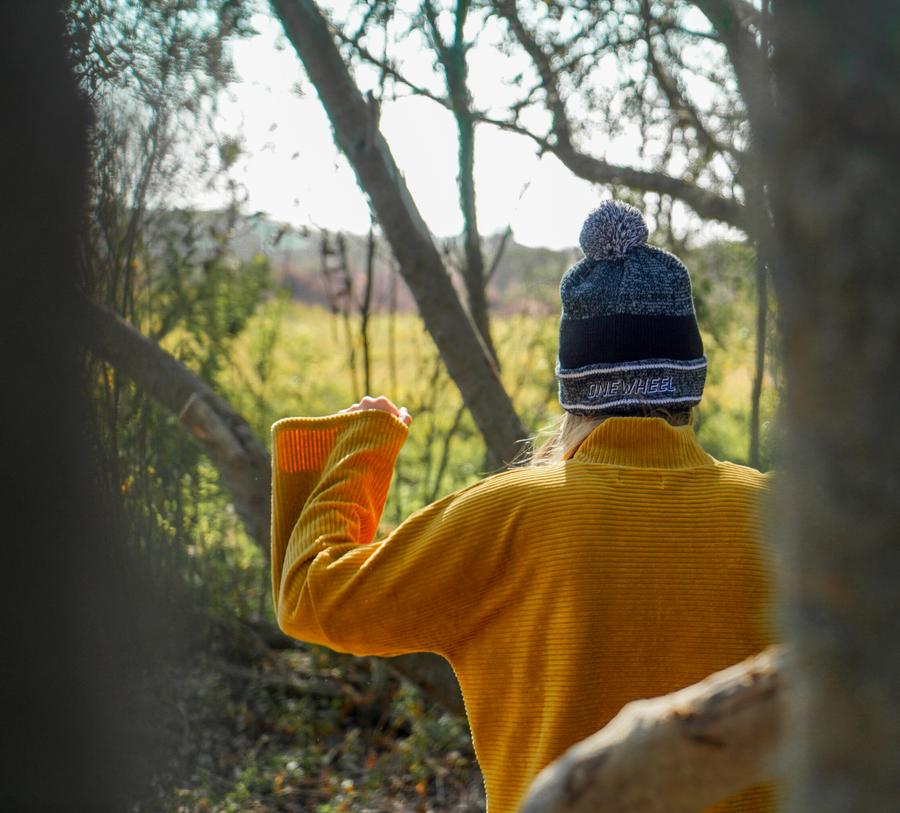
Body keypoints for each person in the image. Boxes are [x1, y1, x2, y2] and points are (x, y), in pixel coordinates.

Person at [270, 201, 775, 813]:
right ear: (691, 379)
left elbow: (311, 598)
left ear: (573, 387)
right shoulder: (788, 520)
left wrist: (359, 449)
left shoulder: (508, 515)